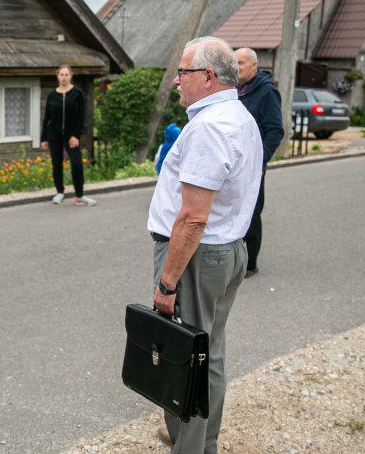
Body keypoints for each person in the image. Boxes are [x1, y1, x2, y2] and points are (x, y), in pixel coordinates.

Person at [148, 37, 262, 454]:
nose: (177, 80)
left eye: (183, 72)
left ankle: (190, 446)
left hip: (198, 256)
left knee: (186, 358)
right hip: (227, 249)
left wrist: (167, 283)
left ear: (208, 77)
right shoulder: (238, 115)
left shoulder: (212, 126)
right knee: (208, 353)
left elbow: (193, 217)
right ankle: (197, 439)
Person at [234, 47, 284, 278]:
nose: (237, 67)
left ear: (254, 65)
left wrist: (259, 160)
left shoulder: (266, 92)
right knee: (234, 211)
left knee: (251, 214)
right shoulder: (235, 90)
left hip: (253, 168)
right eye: (234, 62)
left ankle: (250, 263)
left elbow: (275, 131)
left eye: (241, 62)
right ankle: (235, 259)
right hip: (235, 165)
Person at [40, 64, 95, 206]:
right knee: (56, 164)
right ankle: (59, 192)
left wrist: (76, 135)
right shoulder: (52, 95)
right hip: (54, 134)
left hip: (71, 135)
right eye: (61, 74)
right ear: (57, 76)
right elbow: (47, 117)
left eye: (66, 75)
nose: (64, 77)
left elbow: (81, 116)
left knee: (77, 163)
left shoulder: (77, 93)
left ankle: (80, 195)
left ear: (71, 76)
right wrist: (44, 138)